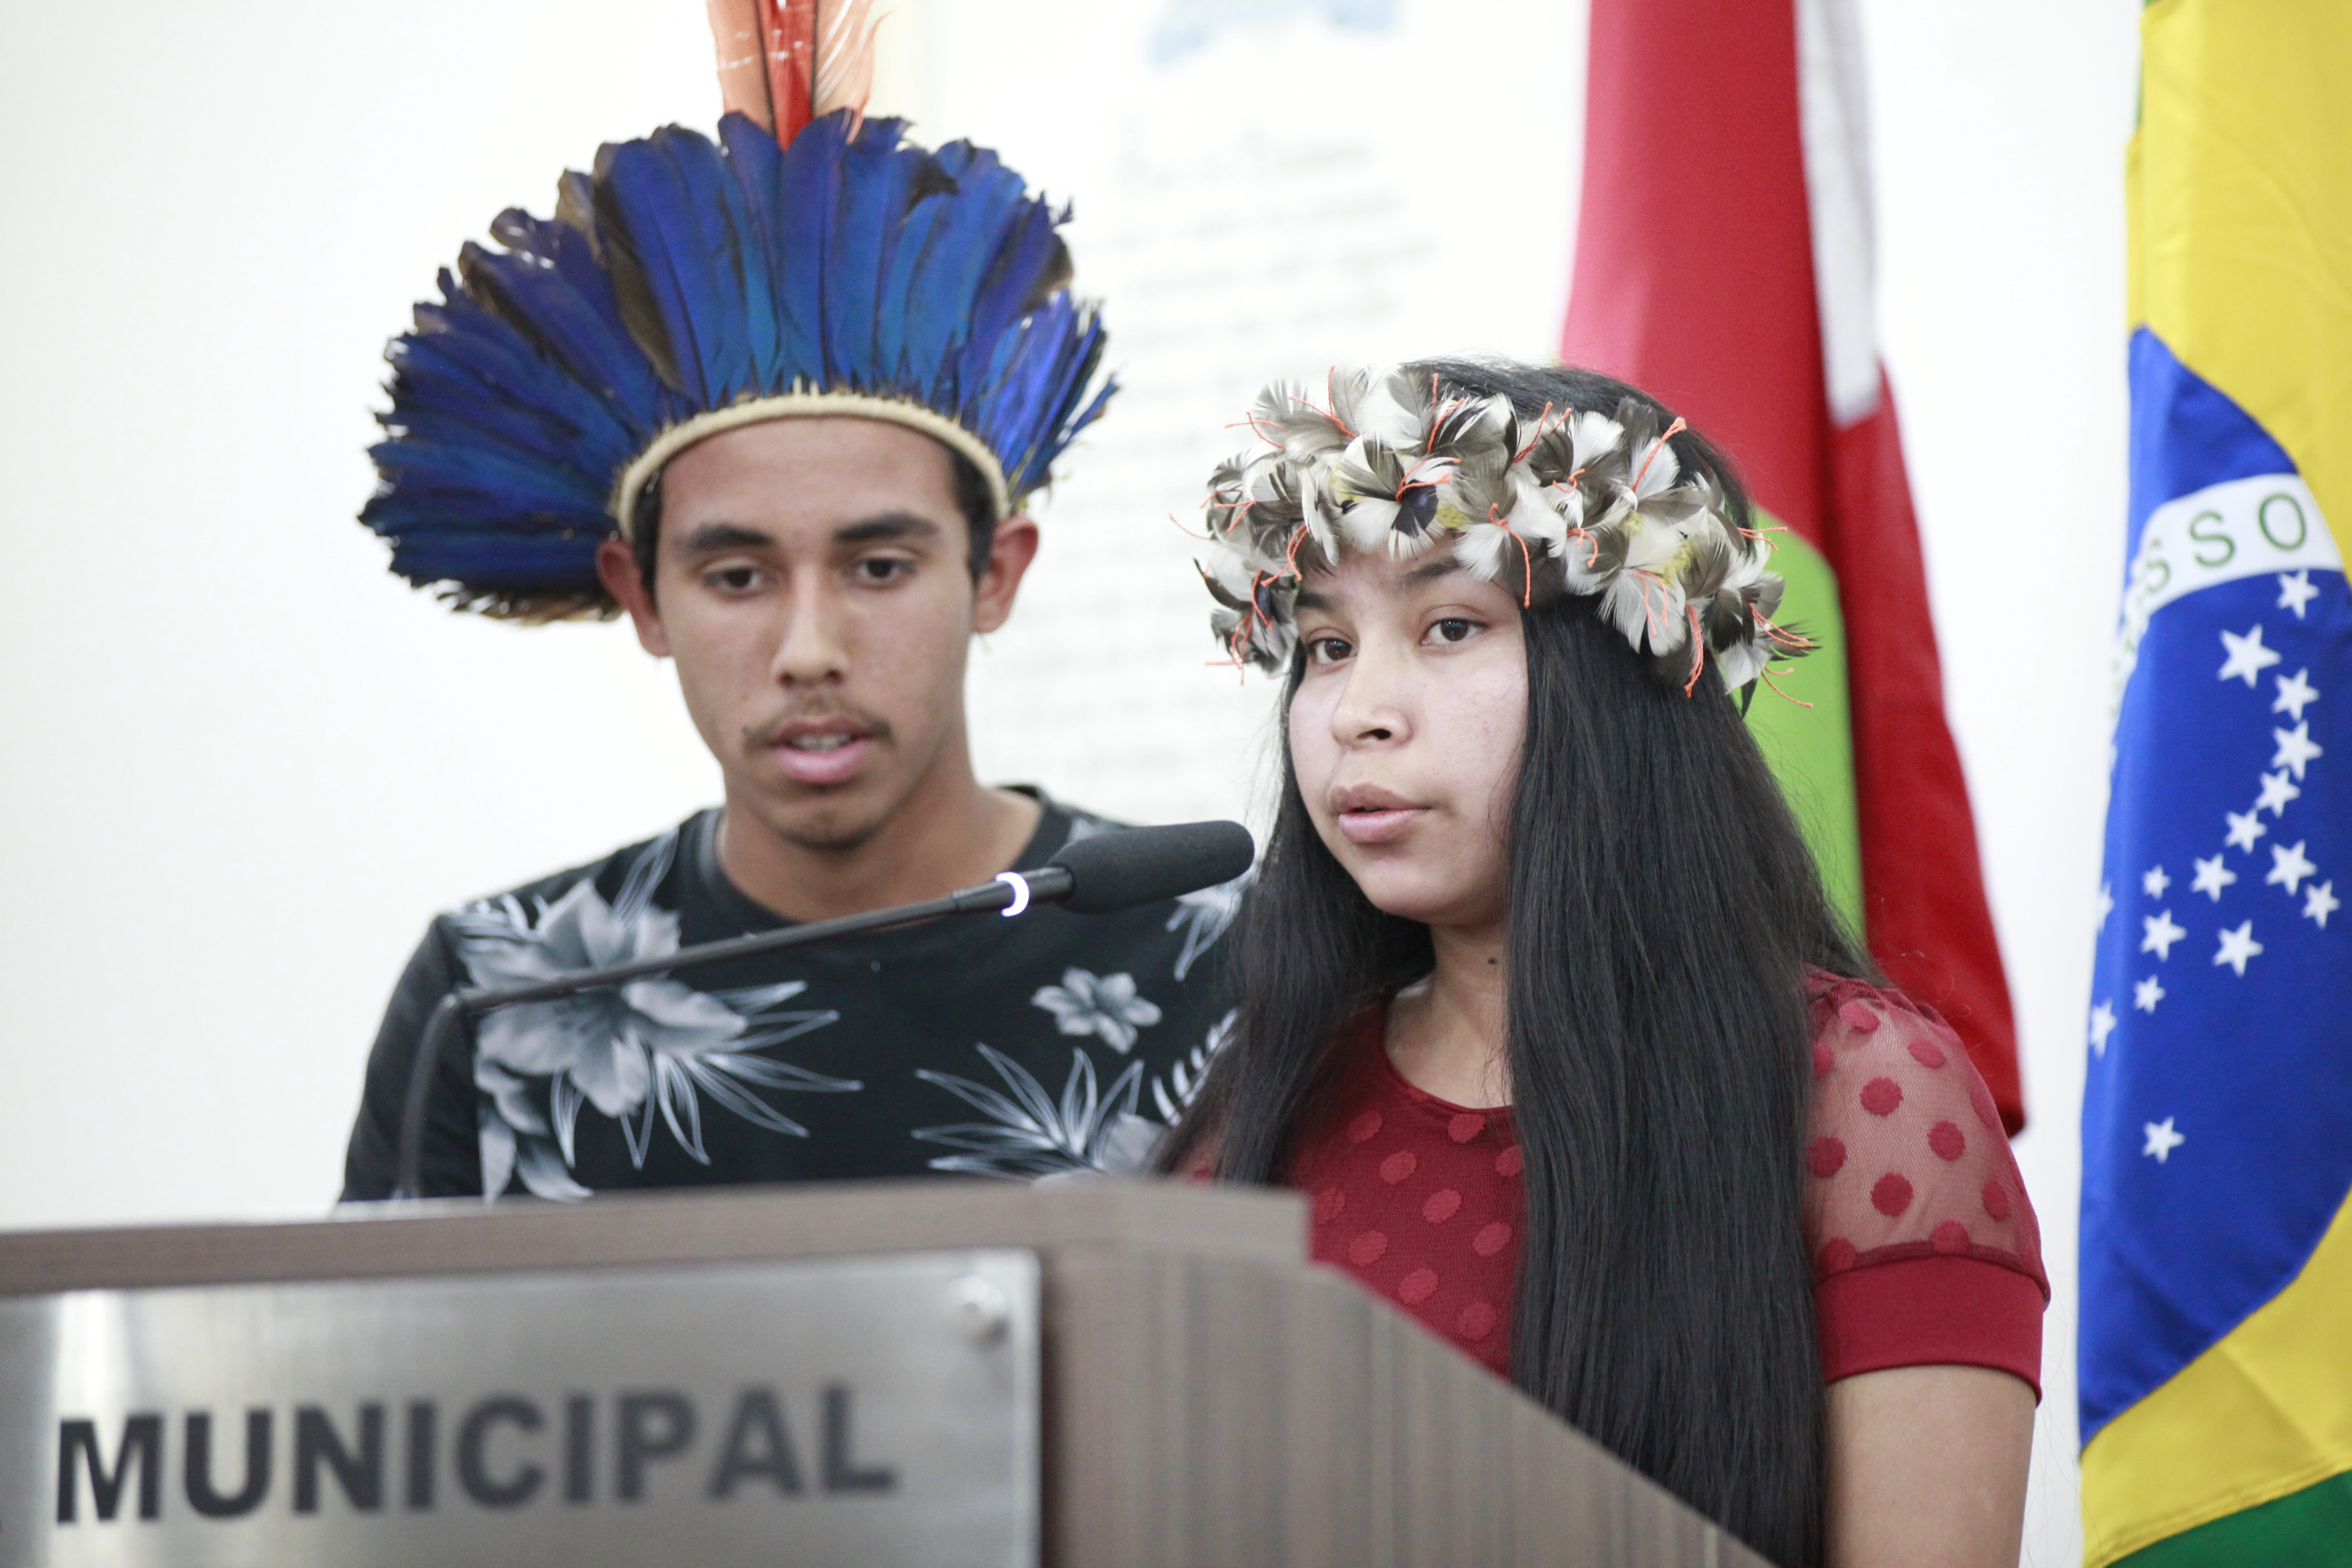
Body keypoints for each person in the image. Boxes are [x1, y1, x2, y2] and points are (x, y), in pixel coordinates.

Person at [339, 2, 1238, 1202]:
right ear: (641, 599)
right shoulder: (497, 1003)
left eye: (877, 567)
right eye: (737, 576)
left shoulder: (1230, 965)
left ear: (996, 573)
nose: (809, 649)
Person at [1157, 360, 2044, 1568]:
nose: (1358, 710)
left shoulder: (1864, 1092)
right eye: (1321, 648)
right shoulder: (1271, 1103)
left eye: (1450, 627)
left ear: (1625, 681)